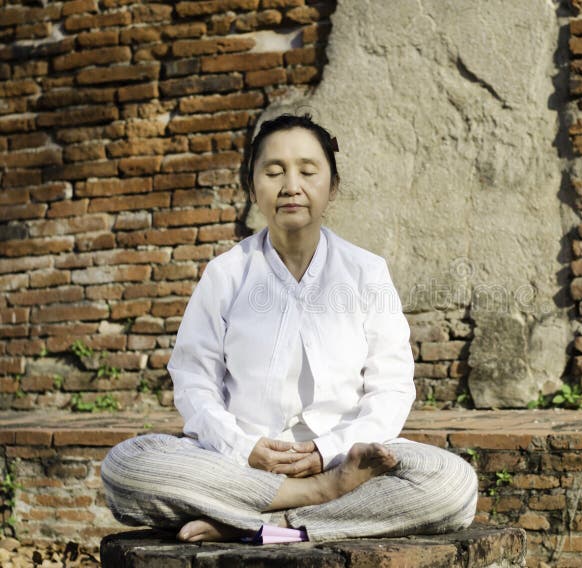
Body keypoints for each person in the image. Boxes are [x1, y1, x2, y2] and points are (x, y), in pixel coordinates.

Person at [100, 113, 478, 544]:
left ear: (331, 186)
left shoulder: (366, 273)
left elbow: (391, 390)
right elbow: (193, 382)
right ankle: (312, 502)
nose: (290, 185)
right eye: (274, 171)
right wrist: (244, 448)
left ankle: (263, 525)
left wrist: (328, 453)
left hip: (345, 461)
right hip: (239, 465)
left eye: (307, 170)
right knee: (125, 465)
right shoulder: (225, 275)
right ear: (252, 187)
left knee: (453, 483)